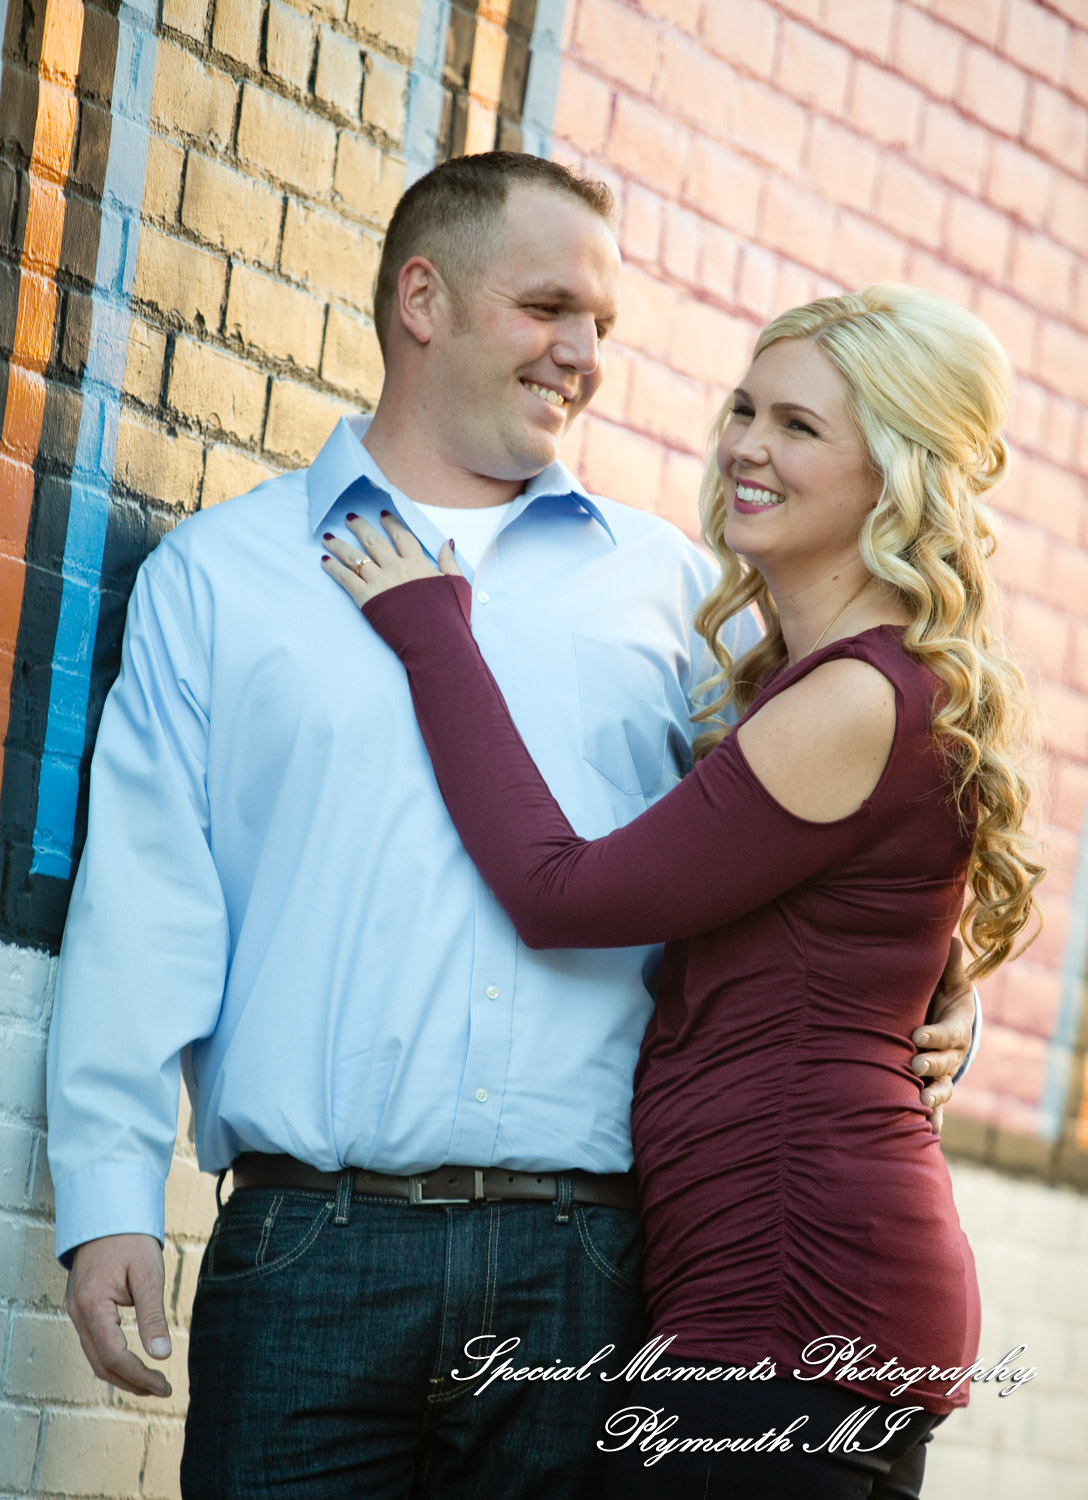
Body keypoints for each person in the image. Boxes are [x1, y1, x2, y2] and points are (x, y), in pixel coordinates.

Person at [47, 154, 973, 1500]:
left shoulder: (675, 592)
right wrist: (108, 1199)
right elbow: (146, 905)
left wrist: (942, 995)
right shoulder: (224, 579)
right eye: (550, 308)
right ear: (423, 297)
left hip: (591, 1268)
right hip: (311, 1250)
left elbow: (849, 827)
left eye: (602, 324)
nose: (584, 355)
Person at [320, 282, 1042, 1499]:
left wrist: (433, 632)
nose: (746, 446)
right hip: (775, 1290)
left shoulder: (850, 700)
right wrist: (937, 1000)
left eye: (801, 427)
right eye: (744, 408)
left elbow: (562, 894)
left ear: (895, 474)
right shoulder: (831, 688)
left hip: (789, 1291)